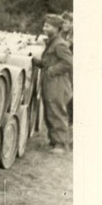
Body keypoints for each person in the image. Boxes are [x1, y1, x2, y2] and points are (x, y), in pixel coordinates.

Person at [33, 14, 73, 152]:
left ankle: (61, 144)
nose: (44, 28)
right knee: (50, 111)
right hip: (51, 82)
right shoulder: (51, 42)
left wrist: (52, 70)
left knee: (57, 111)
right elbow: (49, 61)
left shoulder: (60, 44)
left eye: (48, 26)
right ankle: (54, 141)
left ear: (57, 29)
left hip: (58, 84)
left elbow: (68, 63)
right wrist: (37, 62)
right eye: (44, 25)